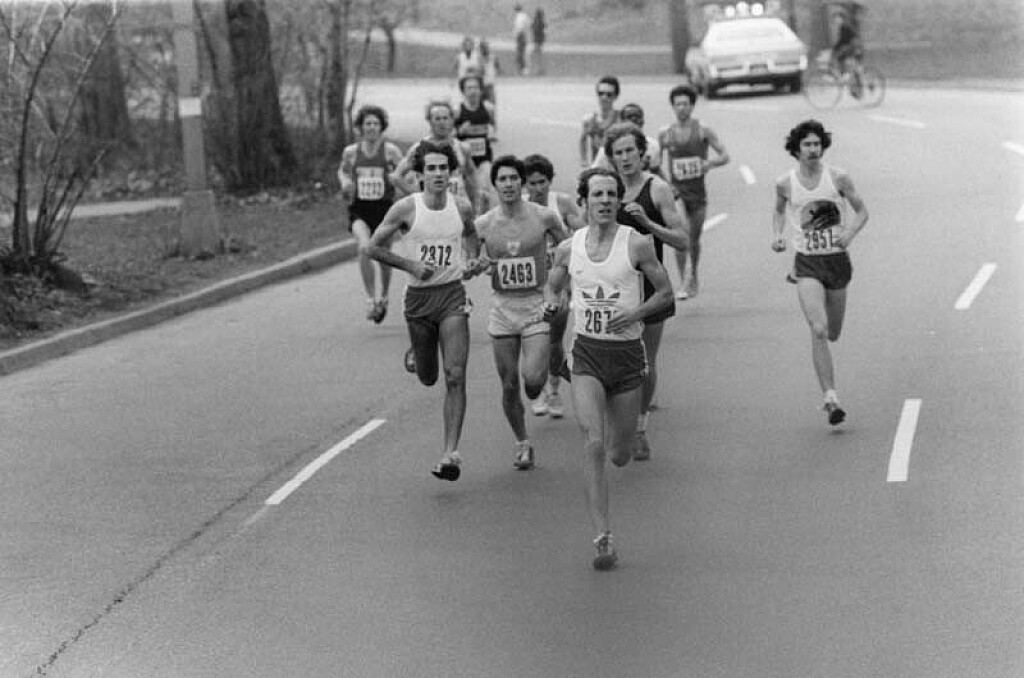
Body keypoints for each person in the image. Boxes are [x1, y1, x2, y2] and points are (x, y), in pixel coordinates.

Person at [544, 167, 673, 570]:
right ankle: (603, 537)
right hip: (587, 355)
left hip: (627, 356)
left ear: (619, 200)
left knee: (619, 454)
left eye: (611, 195)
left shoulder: (637, 244)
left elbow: (666, 293)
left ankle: (628, 439)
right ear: (583, 201)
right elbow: (552, 286)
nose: (604, 201)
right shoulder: (568, 248)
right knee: (593, 443)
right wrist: (552, 302)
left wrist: (634, 313)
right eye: (597, 195)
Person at [367, 141, 486, 480]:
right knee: (428, 376)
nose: (438, 174)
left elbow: (471, 236)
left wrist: (473, 260)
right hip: (418, 301)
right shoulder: (405, 209)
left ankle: (450, 453)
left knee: (455, 375)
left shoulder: (461, 206)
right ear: (420, 175)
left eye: (443, 168)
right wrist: (411, 265)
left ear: (451, 172)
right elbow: (373, 247)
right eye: (431, 169)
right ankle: (418, 354)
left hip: (451, 296)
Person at [771, 120, 868, 426]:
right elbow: (778, 210)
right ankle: (830, 397)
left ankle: (830, 392)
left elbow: (862, 211)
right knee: (819, 328)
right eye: (807, 145)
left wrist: (849, 233)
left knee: (834, 332)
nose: (813, 150)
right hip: (807, 264)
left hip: (836, 262)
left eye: (817, 144)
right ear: (796, 149)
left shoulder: (838, 178)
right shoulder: (785, 183)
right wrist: (778, 235)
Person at [476, 155, 567, 469]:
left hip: (535, 306)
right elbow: (469, 256)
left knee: (532, 380)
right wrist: (478, 263)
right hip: (502, 309)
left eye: (514, 178)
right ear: (495, 185)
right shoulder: (484, 224)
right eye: (502, 179)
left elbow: (569, 250)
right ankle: (522, 442)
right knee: (509, 385)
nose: (509, 184)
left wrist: (557, 284)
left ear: (522, 182)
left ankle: (544, 385)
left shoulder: (544, 217)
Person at [605, 123, 688, 460]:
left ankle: (639, 427)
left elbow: (682, 239)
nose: (625, 158)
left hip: (652, 286)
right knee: (612, 360)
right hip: (613, 288)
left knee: (644, 362)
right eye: (618, 153)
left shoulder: (658, 189)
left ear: (642, 153)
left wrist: (648, 224)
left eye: (630, 151)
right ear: (611, 158)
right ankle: (617, 422)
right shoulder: (605, 190)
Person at [523, 153, 583, 419]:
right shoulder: (521, 208)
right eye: (532, 183)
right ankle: (541, 390)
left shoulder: (561, 203)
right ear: (525, 184)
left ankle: (555, 388)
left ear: (550, 181)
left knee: (554, 341)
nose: (538, 188)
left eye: (542, 182)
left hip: (557, 284)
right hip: (529, 287)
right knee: (533, 340)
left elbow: (583, 234)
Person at [658, 84, 730, 300]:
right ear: (673, 107)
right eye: (678, 104)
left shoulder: (703, 130)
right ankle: (684, 281)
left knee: (694, 240)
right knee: (682, 234)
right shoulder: (665, 134)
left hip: (698, 194)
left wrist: (710, 163)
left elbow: (725, 155)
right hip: (676, 193)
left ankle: (694, 275)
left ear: (692, 106)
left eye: (685, 104)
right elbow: (655, 163)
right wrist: (665, 183)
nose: (682, 108)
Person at [337, 105, 405, 324]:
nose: (372, 127)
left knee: (383, 255)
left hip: (385, 210)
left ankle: (384, 296)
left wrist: (397, 179)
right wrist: (345, 183)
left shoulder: (391, 151)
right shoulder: (350, 152)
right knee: (364, 247)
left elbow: (404, 172)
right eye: (368, 123)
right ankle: (371, 299)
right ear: (361, 127)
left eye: (376, 123)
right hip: (360, 209)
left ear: (381, 127)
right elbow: (343, 172)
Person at [394, 99, 479, 210]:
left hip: (457, 209)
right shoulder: (418, 149)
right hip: (431, 209)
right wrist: (417, 195)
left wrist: (473, 203)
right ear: (430, 121)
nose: (442, 122)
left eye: (445, 118)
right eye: (437, 119)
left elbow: (471, 176)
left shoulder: (462, 148)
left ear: (452, 120)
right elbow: (397, 177)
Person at [454, 75, 498, 214]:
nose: (473, 91)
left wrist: (491, 132)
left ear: (481, 90)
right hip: (465, 160)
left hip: (484, 158)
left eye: (476, 87)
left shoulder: (488, 108)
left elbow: (493, 127)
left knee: (485, 191)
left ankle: (484, 219)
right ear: (463, 91)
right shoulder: (457, 111)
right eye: (469, 88)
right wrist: (460, 131)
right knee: (470, 193)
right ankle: (471, 220)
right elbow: (450, 134)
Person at [591, 102, 661, 175]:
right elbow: (593, 172)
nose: (634, 119)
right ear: (621, 121)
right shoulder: (607, 148)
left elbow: (655, 170)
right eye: (629, 117)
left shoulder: (653, 145)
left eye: (637, 116)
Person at [579, 75, 621, 169]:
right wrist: (584, 161)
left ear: (615, 97)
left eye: (609, 94)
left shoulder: (620, 119)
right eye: (601, 93)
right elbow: (582, 139)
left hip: (617, 169)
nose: (604, 97)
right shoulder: (589, 120)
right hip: (597, 169)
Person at [477, 39, 500, 109]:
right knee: (478, 108)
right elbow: (479, 71)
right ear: (481, 48)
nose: (486, 49)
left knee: (492, 107)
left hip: (490, 86)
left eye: (487, 47)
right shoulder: (478, 58)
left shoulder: (493, 57)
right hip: (480, 86)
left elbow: (497, 67)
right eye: (483, 47)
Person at [513, 4, 531, 75]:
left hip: (521, 36)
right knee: (523, 53)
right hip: (525, 36)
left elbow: (519, 28)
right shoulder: (525, 16)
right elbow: (529, 24)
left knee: (520, 53)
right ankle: (524, 69)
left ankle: (522, 69)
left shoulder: (519, 17)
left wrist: (516, 35)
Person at [531, 8, 546, 76]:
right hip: (539, 40)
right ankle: (539, 69)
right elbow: (544, 26)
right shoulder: (540, 21)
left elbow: (533, 28)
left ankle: (538, 69)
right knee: (538, 54)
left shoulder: (536, 21)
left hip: (537, 40)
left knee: (537, 54)